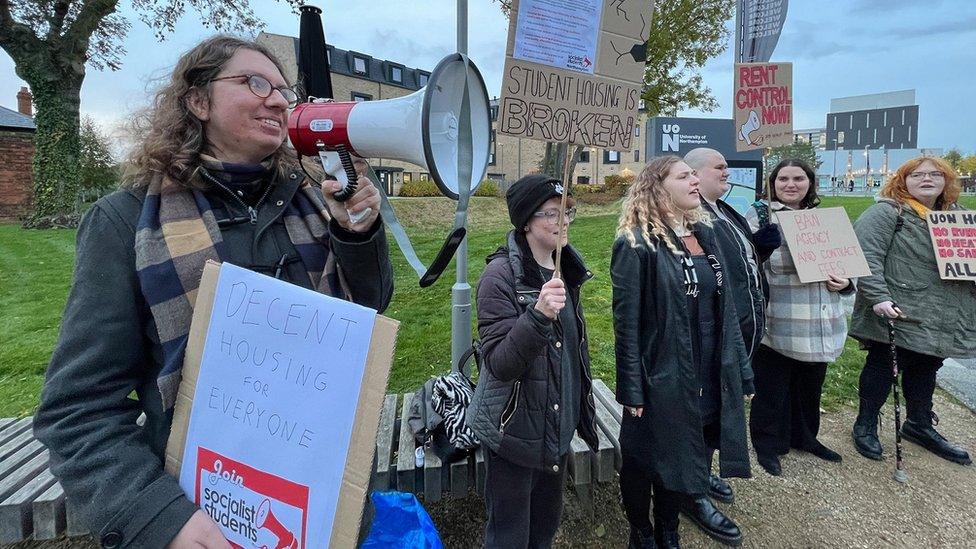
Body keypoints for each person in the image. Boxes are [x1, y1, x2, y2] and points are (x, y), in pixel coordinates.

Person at [33, 36, 394, 548]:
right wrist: (159, 519)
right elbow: (78, 411)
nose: (277, 99)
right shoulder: (126, 223)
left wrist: (355, 236)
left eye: (283, 90)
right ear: (197, 101)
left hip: (322, 506)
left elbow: (369, 307)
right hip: (203, 519)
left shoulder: (313, 203)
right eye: (256, 83)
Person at [612, 156, 753, 549]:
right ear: (659, 187)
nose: (695, 180)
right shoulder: (636, 243)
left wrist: (739, 370)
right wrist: (633, 389)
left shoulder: (706, 236)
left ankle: (669, 528)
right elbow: (627, 325)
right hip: (661, 372)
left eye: (694, 174)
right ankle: (641, 531)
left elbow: (723, 312)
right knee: (644, 460)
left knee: (686, 451)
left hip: (705, 370)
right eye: (684, 175)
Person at [467, 174, 599, 548]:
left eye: (567, 212)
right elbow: (500, 364)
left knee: (544, 525)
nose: (563, 221)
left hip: (554, 427)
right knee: (509, 533)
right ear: (526, 221)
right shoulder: (500, 276)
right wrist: (538, 316)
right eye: (552, 214)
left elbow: (572, 353)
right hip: (513, 433)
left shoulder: (566, 270)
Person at [680, 148, 782, 543]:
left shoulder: (726, 210)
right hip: (716, 335)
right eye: (719, 167)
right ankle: (692, 492)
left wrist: (760, 246)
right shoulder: (693, 217)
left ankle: (702, 474)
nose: (727, 171)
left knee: (721, 407)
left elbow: (739, 261)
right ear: (695, 174)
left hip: (743, 330)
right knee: (705, 411)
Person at [849, 156, 974, 465]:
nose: (927, 179)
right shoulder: (888, 213)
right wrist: (877, 297)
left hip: (945, 312)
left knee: (927, 366)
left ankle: (919, 423)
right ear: (903, 180)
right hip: (898, 308)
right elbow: (866, 256)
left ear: (946, 181)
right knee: (883, 366)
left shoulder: (958, 218)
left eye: (935, 174)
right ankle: (865, 424)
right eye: (918, 175)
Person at [746, 159, 853, 476]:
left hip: (821, 319)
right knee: (772, 388)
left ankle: (806, 437)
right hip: (781, 316)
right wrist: (760, 247)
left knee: (810, 385)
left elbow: (849, 263)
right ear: (772, 183)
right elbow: (746, 262)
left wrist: (847, 283)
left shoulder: (824, 219)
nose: (790, 184)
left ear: (810, 183)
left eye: (798, 178)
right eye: (783, 179)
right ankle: (767, 443)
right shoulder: (761, 215)